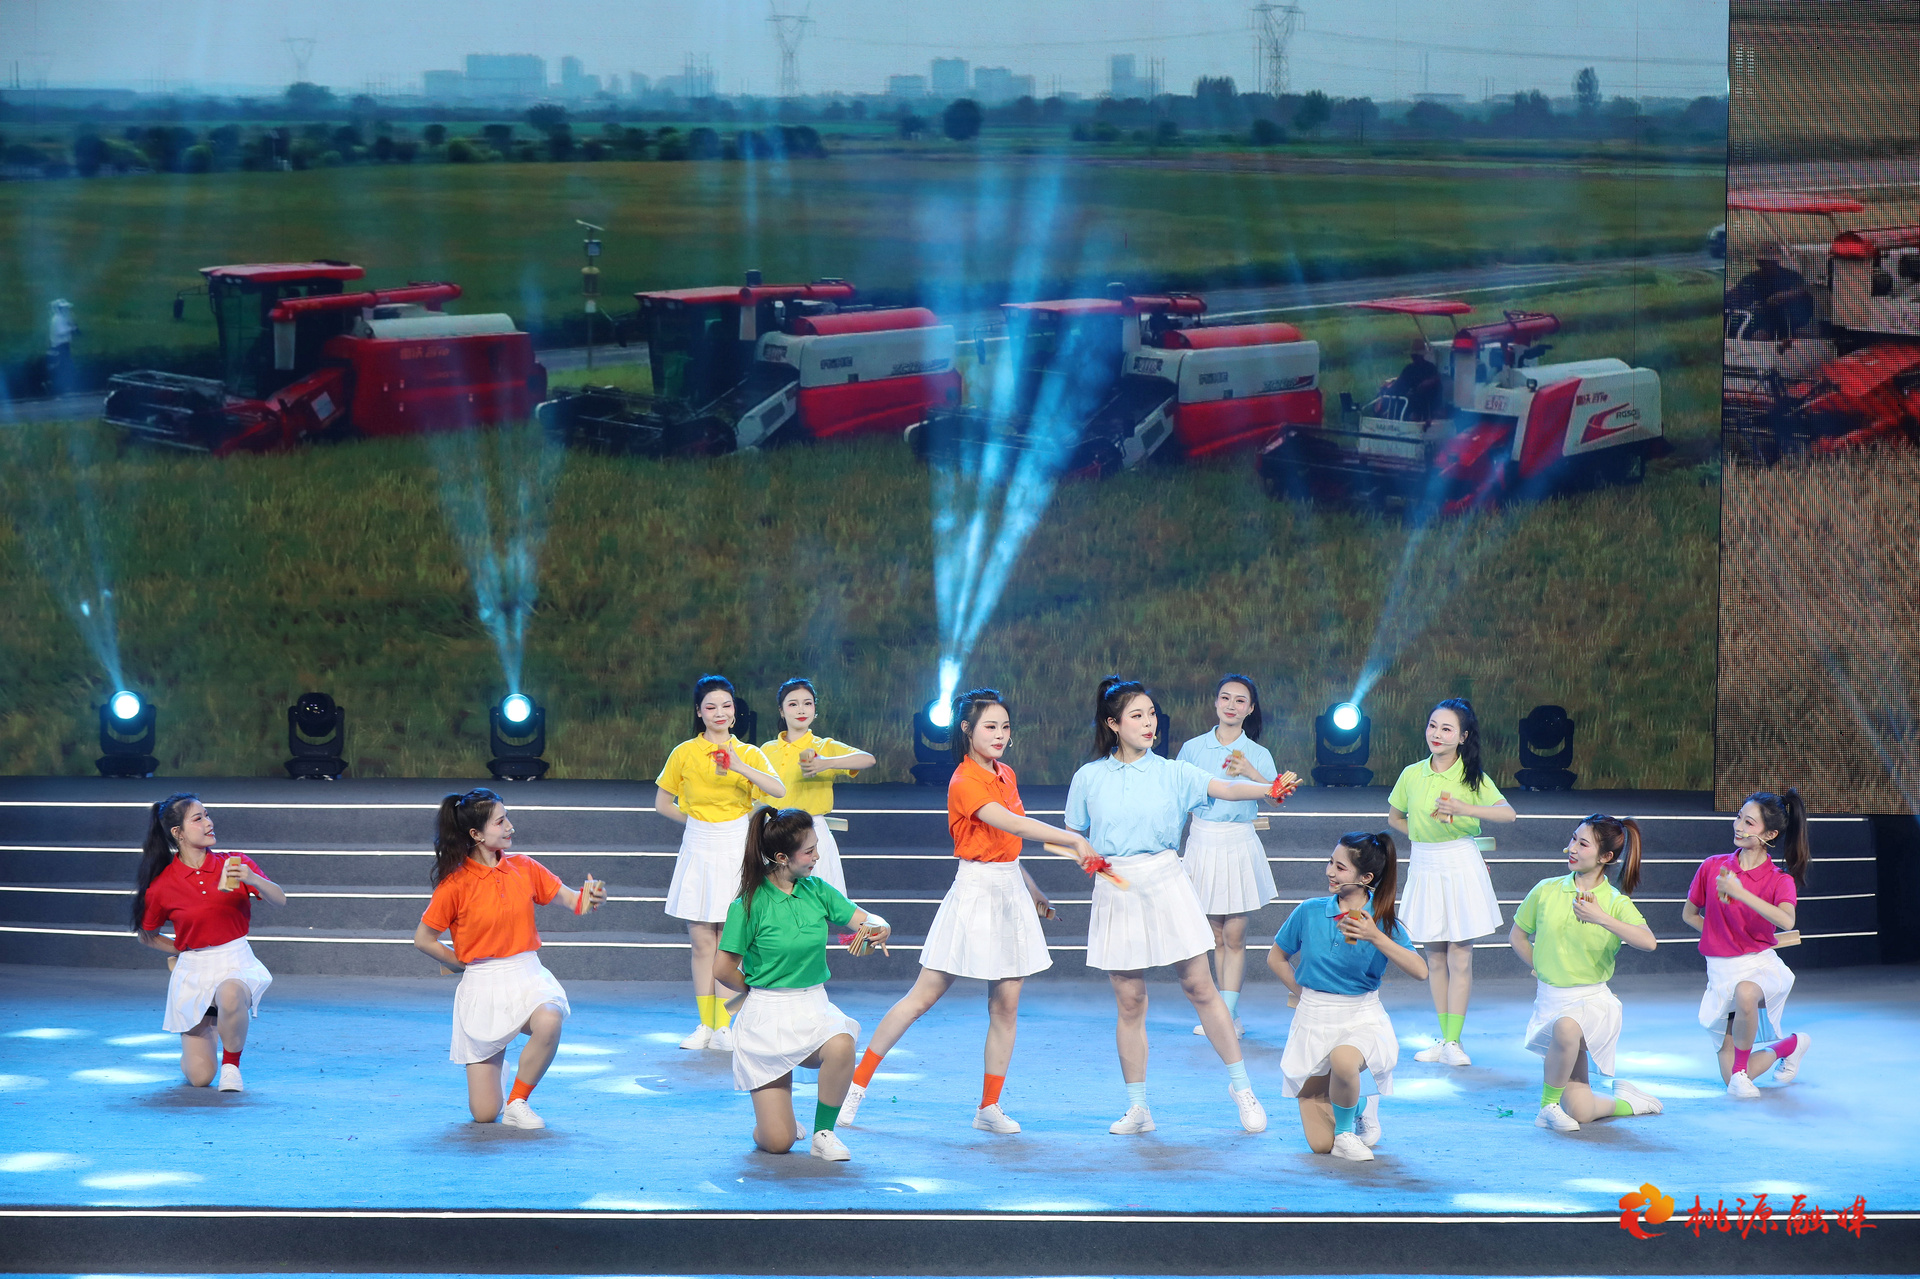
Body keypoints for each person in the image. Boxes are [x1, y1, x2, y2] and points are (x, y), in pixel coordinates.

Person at [841, 688, 1097, 1135]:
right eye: (990, 727)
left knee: (1006, 1005)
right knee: (921, 998)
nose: (1000, 735)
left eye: (1005, 727)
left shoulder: (1006, 774)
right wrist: (1074, 839)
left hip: (1009, 891)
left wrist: (1034, 892)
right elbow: (1012, 823)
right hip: (975, 891)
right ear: (967, 730)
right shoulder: (964, 781)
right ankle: (855, 1087)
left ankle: (989, 1107)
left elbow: (1010, 845)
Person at [1067, 676, 1293, 1135]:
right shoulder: (1089, 777)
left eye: (1152, 714)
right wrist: (1084, 853)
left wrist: (1269, 788)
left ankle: (1242, 1088)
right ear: (1113, 724)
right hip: (1116, 888)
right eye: (1137, 716)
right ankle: (1138, 1108)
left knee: (1200, 987)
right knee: (1130, 1001)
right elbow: (1074, 832)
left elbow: (1226, 789)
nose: (1149, 723)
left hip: (1166, 879)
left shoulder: (1174, 771)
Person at [412, 789, 605, 1129]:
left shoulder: (524, 866)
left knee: (550, 1018)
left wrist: (590, 897)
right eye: (500, 822)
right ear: (476, 834)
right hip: (483, 986)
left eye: (507, 818)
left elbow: (573, 901)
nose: (510, 827)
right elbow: (423, 939)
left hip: (526, 975)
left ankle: (518, 1100)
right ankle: (500, 1084)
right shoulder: (454, 884)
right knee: (484, 1114)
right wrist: (459, 962)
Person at [713, 805, 891, 1161]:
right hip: (765, 1018)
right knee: (778, 1143)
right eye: (809, 851)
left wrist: (880, 927)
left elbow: (866, 919)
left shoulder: (818, 890)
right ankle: (772, 1124)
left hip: (813, 1008)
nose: (817, 857)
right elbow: (723, 968)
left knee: (841, 1042)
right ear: (782, 858)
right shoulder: (748, 905)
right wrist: (756, 990)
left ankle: (824, 1133)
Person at [1268, 831, 1426, 1162]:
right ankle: (1358, 1100)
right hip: (1313, 1018)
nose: (1330, 871)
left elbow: (1420, 971)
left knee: (1344, 1059)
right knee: (1319, 1146)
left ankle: (1345, 1132)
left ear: (1366, 878)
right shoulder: (1309, 911)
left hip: (1361, 1018)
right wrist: (1304, 994)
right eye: (1331, 863)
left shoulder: (1382, 920)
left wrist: (1375, 936)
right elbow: (1276, 957)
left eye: (1340, 867)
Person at [1508, 815, 1664, 1134]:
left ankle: (1546, 1108)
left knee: (1566, 1027)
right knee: (1581, 1110)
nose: (1572, 848)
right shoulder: (1546, 889)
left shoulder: (1615, 902)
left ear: (1606, 856)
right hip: (1550, 1000)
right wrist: (1541, 967)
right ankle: (1631, 1102)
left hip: (1591, 1001)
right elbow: (1517, 936)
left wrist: (1601, 917)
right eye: (1572, 839)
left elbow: (1648, 941)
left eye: (1583, 844)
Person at [656, 674, 787, 1051]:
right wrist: (698, 824)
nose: (719, 712)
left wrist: (739, 766)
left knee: (730, 941)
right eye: (710, 706)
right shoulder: (684, 752)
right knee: (702, 940)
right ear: (699, 712)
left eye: (726, 706)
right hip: (698, 845)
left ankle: (726, 1025)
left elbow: (778, 790)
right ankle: (705, 1024)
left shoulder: (749, 753)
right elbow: (663, 803)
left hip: (736, 846)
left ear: (734, 711)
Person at [1389, 698, 1516, 1066]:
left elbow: (1508, 814)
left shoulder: (1472, 776)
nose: (1437, 734)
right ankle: (1445, 1040)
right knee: (1435, 956)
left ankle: (1454, 1041)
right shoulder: (1412, 774)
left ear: (1462, 737)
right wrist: (1421, 832)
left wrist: (1464, 809)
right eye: (1433, 726)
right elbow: (1395, 817)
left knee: (1460, 955)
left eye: (1447, 729)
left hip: (1460, 861)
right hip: (1425, 863)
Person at [132, 793, 285, 1093]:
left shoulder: (234, 864)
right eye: (198, 818)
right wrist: (180, 949)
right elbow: (146, 934)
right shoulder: (163, 885)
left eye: (208, 815)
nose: (209, 823)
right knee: (200, 1077)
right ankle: (210, 1026)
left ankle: (232, 1066)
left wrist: (253, 879)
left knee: (231, 992)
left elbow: (280, 899)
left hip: (234, 960)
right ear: (178, 832)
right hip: (195, 968)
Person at [1683, 789, 1812, 1098]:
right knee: (1728, 1079)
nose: (1738, 826)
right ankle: (1791, 1045)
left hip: (1758, 966)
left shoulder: (1779, 879)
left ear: (1770, 834)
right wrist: (1718, 935)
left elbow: (1787, 920)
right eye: (1739, 817)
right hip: (1720, 971)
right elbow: (1689, 914)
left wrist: (1740, 893)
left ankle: (1741, 1072)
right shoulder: (1712, 866)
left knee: (1746, 991)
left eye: (1749, 823)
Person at [1176, 674, 1280, 1040]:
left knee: (1234, 934)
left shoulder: (1258, 753)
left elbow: (1276, 795)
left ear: (1250, 709)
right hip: (1202, 841)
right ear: (1216, 702)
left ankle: (1229, 1015)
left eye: (1240, 700)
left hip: (1238, 842)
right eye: (1225, 698)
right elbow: (1178, 797)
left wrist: (1249, 771)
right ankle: (1222, 1012)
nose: (1231, 705)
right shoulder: (1192, 749)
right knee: (1214, 935)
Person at [759, 677, 875, 897]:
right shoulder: (767, 749)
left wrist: (826, 763)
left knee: (817, 900)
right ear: (781, 711)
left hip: (811, 832)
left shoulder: (824, 746)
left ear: (815, 709)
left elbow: (868, 759)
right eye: (793, 704)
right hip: (775, 834)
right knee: (775, 901)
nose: (801, 709)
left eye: (807, 703)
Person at [1725, 244, 1814, 340]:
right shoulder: (1750, 279)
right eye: (1762, 262)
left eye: (1768, 262)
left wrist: (1784, 296)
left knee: (1761, 335)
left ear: (1776, 262)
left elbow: (1803, 292)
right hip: (1755, 320)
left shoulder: (1791, 276)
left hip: (1784, 321)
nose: (1765, 265)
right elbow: (1736, 293)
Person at [1386, 339, 1442, 421]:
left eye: (1416, 355)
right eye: (1413, 355)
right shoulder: (1409, 369)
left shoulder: (1430, 368)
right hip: (1409, 401)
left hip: (1425, 403)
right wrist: (1388, 388)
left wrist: (1426, 384)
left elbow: (1437, 384)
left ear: (1421, 356)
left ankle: (1416, 417)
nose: (1414, 357)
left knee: (1416, 398)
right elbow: (1399, 385)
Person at [46, 299, 78, 395]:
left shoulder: (61, 318)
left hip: (63, 345)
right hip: (60, 346)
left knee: (65, 366)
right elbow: (60, 332)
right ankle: (60, 389)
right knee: (63, 366)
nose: (66, 310)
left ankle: (64, 387)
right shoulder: (57, 319)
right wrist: (72, 328)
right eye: (64, 308)